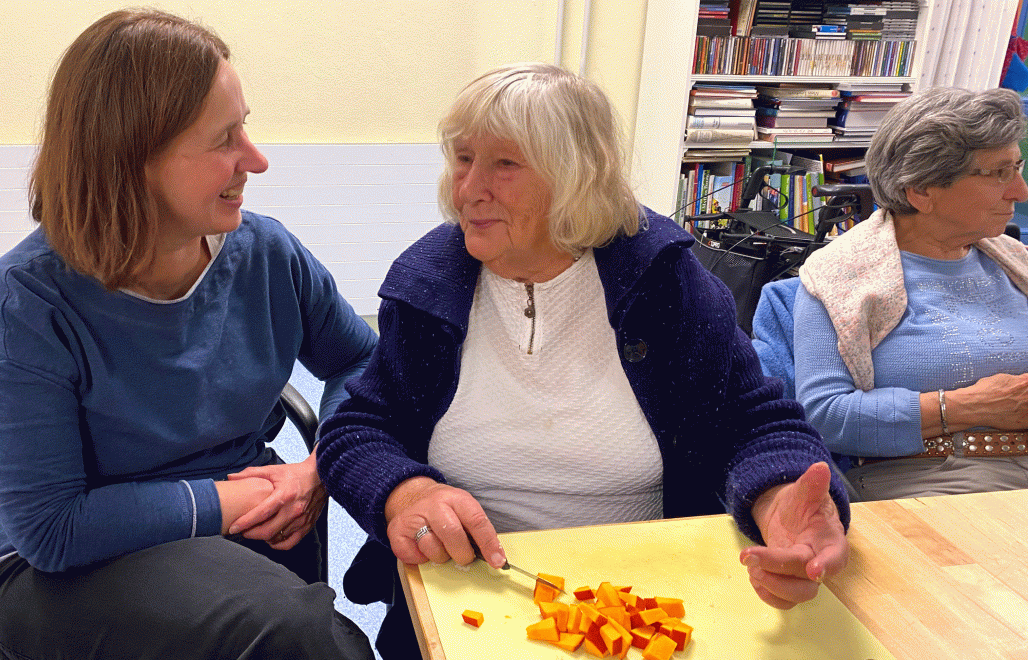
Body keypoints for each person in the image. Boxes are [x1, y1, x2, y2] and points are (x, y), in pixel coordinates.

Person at [315, 62, 851, 658]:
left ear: (577, 177)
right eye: (463, 159)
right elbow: (358, 427)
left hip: (643, 593)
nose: (469, 189)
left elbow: (751, 421)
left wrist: (779, 498)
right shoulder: (427, 287)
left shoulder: (665, 283)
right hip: (471, 592)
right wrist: (407, 493)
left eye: (505, 164)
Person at [0, 9, 377, 659]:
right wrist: (233, 500)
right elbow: (50, 529)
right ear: (131, 161)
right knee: (296, 635)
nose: (257, 160)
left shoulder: (267, 254)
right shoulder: (29, 301)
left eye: (246, 127)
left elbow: (360, 361)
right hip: (65, 564)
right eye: (224, 140)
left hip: (241, 526)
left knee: (307, 631)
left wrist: (322, 465)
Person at [794, 86, 1028, 502]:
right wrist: (969, 406)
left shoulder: (1016, 263)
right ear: (921, 190)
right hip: (939, 481)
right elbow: (825, 416)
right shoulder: (839, 278)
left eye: (1018, 167)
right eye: (998, 173)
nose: (1020, 191)